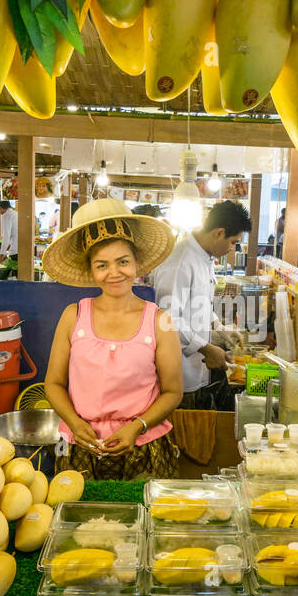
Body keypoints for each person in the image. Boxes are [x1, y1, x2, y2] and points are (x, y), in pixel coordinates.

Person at [43, 199, 183, 480]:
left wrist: (137, 426)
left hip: (144, 447)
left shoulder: (159, 321)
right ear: (91, 270)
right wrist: (73, 422)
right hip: (78, 447)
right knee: (80, 522)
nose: (114, 273)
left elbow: (173, 392)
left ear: (137, 264)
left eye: (123, 262)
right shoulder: (74, 316)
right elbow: (53, 384)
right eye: (102, 265)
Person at [151, 200, 252, 408]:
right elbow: (167, 319)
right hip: (179, 373)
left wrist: (220, 328)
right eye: (233, 242)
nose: (232, 248)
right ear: (218, 233)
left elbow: (199, 303)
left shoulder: (205, 257)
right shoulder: (180, 260)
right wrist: (205, 348)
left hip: (197, 368)